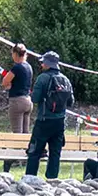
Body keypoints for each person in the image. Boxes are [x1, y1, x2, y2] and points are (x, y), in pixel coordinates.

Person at [25, 51, 75, 180]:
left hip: (44, 120)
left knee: (35, 151)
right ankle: (52, 180)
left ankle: (30, 179)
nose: (41, 65)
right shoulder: (65, 79)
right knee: (55, 153)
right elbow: (71, 102)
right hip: (60, 122)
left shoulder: (43, 78)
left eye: (42, 62)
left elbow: (35, 99)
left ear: (48, 64)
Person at [2, 44, 34, 135]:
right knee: (25, 133)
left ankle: (17, 149)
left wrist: (9, 85)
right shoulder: (29, 67)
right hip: (28, 100)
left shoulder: (17, 67)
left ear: (15, 54)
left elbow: (5, 81)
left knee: (17, 133)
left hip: (17, 101)